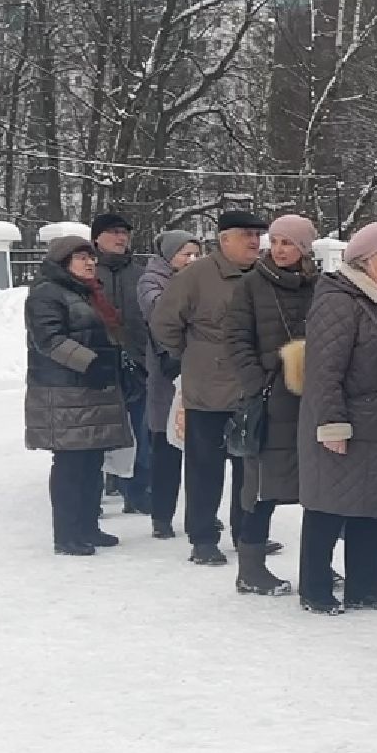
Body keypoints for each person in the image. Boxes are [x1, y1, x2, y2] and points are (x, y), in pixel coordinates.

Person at [294, 220, 377, 615]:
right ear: (364, 261)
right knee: (329, 507)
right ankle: (314, 589)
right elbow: (323, 371)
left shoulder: (375, 300)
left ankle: (365, 587)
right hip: (347, 423)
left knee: (373, 508)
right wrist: (331, 424)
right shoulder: (338, 301)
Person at [149, 210, 270, 567]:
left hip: (252, 388)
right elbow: (164, 322)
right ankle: (202, 539)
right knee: (205, 469)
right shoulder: (196, 276)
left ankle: (245, 533)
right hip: (208, 390)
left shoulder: (262, 275)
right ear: (224, 239)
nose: (254, 241)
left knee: (250, 468)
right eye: (246, 234)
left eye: (257, 234)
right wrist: (193, 356)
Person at [222, 214, 318, 596]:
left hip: (312, 401)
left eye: (287, 242)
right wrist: (257, 380)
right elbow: (235, 339)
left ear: (305, 248)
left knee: (319, 490)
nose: (278, 249)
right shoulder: (250, 286)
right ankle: (251, 569)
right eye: (274, 241)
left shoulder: (321, 286)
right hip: (268, 402)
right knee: (261, 489)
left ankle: (317, 567)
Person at [26, 236, 135, 555]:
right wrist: (91, 363)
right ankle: (67, 534)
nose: (90, 263)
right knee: (71, 463)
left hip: (93, 389)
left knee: (91, 460)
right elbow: (48, 339)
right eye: (81, 258)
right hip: (63, 391)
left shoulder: (88, 292)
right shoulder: (47, 293)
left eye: (91, 258)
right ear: (63, 262)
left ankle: (88, 526)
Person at [139, 231, 199, 539]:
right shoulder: (151, 281)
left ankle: (200, 516)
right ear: (168, 255)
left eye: (194, 254)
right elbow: (161, 314)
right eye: (184, 254)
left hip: (197, 374)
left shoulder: (198, 279)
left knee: (200, 453)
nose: (191, 260)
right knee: (165, 449)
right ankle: (161, 516)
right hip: (167, 378)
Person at [90, 214, 152, 513]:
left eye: (124, 233)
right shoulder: (86, 272)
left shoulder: (141, 273)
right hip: (98, 364)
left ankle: (137, 493)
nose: (120, 238)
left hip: (137, 363)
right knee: (99, 430)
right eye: (113, 232)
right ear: (97, 237)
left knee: (140, 431)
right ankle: (96, 488)